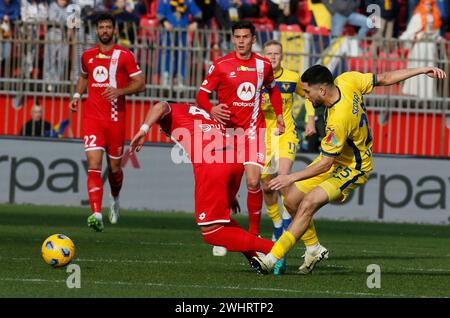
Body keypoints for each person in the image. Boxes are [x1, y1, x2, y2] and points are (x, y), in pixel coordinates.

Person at [250, 64, 447, 274]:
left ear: (322, 90)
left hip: (354, 167)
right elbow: (385, 77)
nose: (306, 97)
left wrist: (291, 177)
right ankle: (314, 247)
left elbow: (325, 164)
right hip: (334, 158)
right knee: (290, 200)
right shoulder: (347, 80)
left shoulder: (339, 119)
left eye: (307, 92)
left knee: (308, 202)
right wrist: (421, 69)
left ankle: (272, 258)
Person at [129, 101, 276, 268]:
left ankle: (275, 250)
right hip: (233, 160)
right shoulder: (194, 111)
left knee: (211, 233)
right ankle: (254, 257)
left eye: (160, 126)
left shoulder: (170, 111)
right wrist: (230, 191)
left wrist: (143, 130)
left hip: (212, 162)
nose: (162, 131)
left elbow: (159, 106)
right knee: (222, 222)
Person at [196, 20, 285, 253]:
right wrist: (212, 109)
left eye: (246, 37)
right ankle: (224, 228)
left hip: (254, 130)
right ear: (233, 38)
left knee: (254, 181)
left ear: (253, 39)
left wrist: (280, 115)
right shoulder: (220, 65)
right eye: (238, 37)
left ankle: (254, 234)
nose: (242, 41)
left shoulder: (263, 65)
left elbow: (273, 90)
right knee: (224, 185)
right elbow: (202, 96)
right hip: (225, 134)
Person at [69, 12, 145, 232]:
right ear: (97, 30)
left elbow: (141, 83)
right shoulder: (88, 56)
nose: (104, 30)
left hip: (115, 120)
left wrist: (120, 91)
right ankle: (95, 213)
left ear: (114, 30)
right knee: (93, 165)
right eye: (101, 27)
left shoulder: (125, 55)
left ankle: (115, 197)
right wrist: (76, 96)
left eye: (107, 27)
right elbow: (84, 76)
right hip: (92, 119)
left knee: (113, 168)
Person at [261, 40, 328, 275]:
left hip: (286, 134)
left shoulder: (291, 77)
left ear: (282, 55)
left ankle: (283, 234)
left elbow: (307, 96)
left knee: (283, 181)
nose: (272, 57)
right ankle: (278, 224)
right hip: (262, 136)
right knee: (266, 186)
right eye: (268, 53)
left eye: (276, 53)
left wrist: (311, 119)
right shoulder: (258, 77)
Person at [399, 0, 443, 99]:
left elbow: (436, 33)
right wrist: (419, 35)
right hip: (419, 48)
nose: (429, 7)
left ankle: (428, 96)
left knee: (430, 70)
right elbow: (409, 34)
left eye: (431, 4)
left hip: (430, 48)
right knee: (418, 70)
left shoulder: (435, 16)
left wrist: (437, 38)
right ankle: (416, 95)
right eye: (427, 4)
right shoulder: (417, 17)